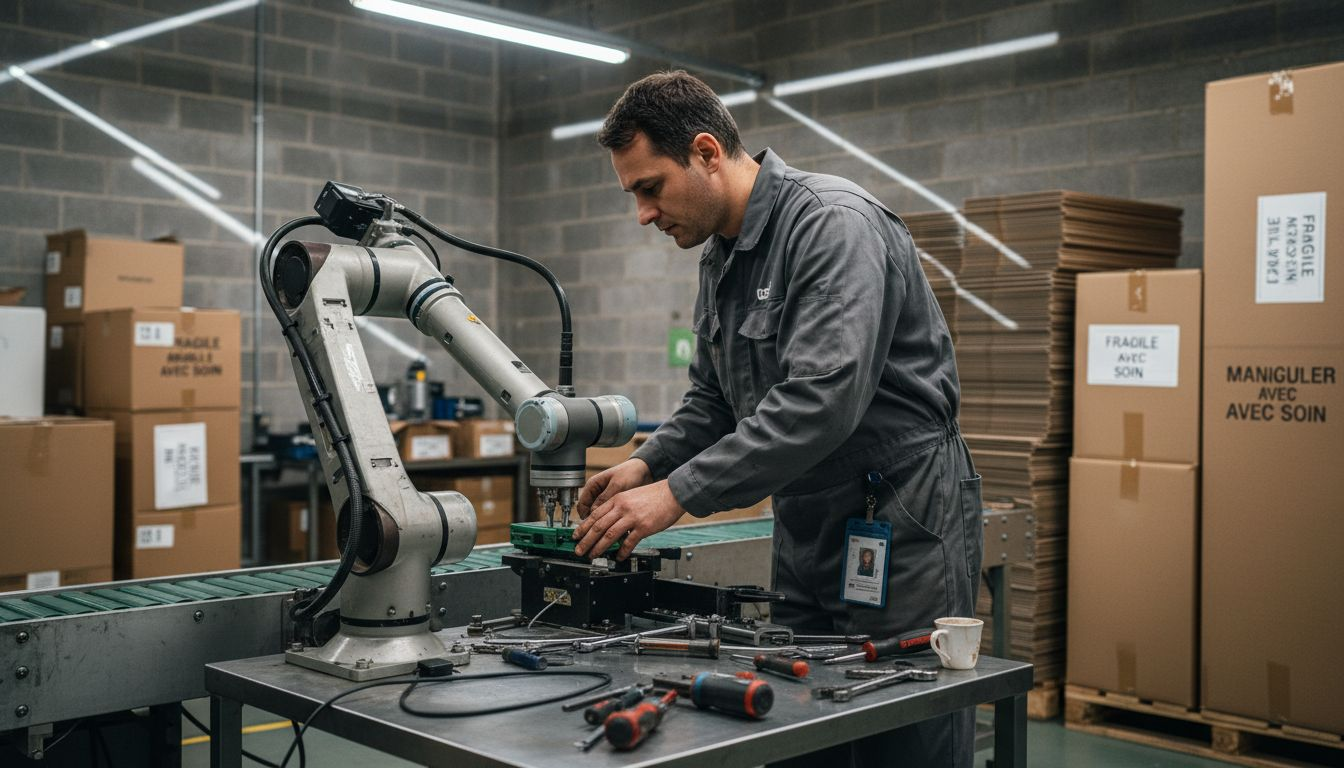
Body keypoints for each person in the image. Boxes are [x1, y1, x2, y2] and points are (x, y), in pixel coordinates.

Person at [572, 71, 982, 768]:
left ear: (706, 152)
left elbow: (822, 400)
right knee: (798, 730)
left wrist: (675, 495)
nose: (643, 213)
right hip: (806, 529)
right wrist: (644, 465)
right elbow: (712, 403)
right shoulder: (722, 259)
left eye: (649, 188)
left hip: (900, 519)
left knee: (902, 736)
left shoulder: (832, 225)